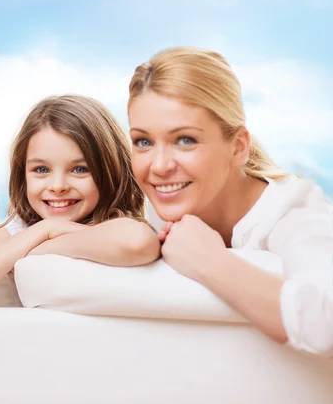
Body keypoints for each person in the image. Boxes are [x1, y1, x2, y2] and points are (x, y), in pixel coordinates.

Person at [127, 46, 333, 357]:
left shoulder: (296, 214)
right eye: (143, 142)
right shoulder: (157, 204)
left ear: (237, 147)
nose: (158, 166)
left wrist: (208, 262)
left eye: (185, 140)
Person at [0, 94, 160, 311]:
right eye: (41, 170)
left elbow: (139, 243)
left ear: (111, 169)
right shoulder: (21, 229)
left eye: (79, 169)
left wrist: (47, 239)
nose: (57, 185)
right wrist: (44, 229)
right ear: (23, 174)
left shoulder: (117, 222)